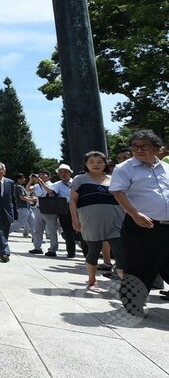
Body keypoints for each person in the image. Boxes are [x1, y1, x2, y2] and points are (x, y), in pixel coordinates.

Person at [110, 129, 169, 316]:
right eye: (135, 146)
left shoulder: (166, 168)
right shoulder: (125, 168)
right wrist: (135, 214)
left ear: (156, 148)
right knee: (139, 266)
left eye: (144, 146)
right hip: (141, 225)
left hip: (166, 226)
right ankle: (133, 304)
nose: (138, 150)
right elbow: (118, 192)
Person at [70, 151, 125, 293]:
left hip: (116, 221)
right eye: (91, 162)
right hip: (91, 221)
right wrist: (74, 218)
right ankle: (92, 280)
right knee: (93, 251)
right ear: (86, 164)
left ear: (105, 163)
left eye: (100, 162)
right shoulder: (79, 179)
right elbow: (73, 201)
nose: (96, 165)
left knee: (120, 253)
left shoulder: (114, 179)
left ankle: (127, 286)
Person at [38, 163, 78, 258]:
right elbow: (50, 191)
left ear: (70, 173)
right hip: (64, 209)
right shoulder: (57, 184)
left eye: (65, 172)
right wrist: (41, 182)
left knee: (81, 230)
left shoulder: (76, 182)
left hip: (78, 207)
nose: (63, 174)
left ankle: (86, 252)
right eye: (60, 172)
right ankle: (71, 252)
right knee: (68, 231)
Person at [9, 173, 36, 237]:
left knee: (33, 222)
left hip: (27, 207)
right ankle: (5, 232)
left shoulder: (18, 186)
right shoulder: (19, 187)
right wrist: (32, 199)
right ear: (18, 179)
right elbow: (22, 197)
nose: (24, 179)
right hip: (23, 207)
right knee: (21, 222)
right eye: (23, 178)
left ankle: (36, 238)